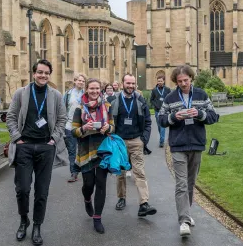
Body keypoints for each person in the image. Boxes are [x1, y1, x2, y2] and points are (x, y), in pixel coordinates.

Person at [6, 59, 67, 246]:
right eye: (40, 72)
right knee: (23, 189)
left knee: (42, 192)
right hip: (24, 147)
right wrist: (17, 138)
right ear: (34, 73)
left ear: (50, 74)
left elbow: (62, 119)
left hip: (45, 148)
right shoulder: (21, 93)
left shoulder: (56, 95)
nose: (43, 76)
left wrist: (53, 140)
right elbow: (11, 117)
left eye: (47, 73)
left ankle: (37, 226)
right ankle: (24, 221)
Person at [158, 65, 219, 237]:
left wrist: (200, 114)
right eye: (180, 81)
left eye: (186, 80)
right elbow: (161, 119)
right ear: (175, 82)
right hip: (178, 146)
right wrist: (173, 117)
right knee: (181, 184)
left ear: (191, 78)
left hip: (197, 144)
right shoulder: (170, 98)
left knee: (191, 183)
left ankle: (187, 213)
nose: (183, 83)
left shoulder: (201, 95)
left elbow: (214, 116)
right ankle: (183, 220)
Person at [72, 78, 115, 234]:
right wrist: (84, 127)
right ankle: (87, 199)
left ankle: (97, 218)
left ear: (101, 90)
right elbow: (73, 131)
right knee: (88, 185)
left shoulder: (107, 106)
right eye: (91, 89)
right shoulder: (79, 108)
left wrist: (107, 127)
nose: (94, 91)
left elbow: (113, 126)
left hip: (103, 150)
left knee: (101, 184)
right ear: (86, 89)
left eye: (97, 89)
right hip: (85, 150)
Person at [110, 74, 157, 217]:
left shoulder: (140, 100)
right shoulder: (114, 100)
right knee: (120, 173)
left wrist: (143, 140)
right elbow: (109, 121)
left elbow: (148, 122)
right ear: (122, 83)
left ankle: (144, 203)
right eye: (128, 83)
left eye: (133, 83)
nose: (130, 86)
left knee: (139, 172)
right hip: (120, 141)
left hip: (136, 140)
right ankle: (121, 198)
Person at [63, 73, 86, 183]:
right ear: (75, 81)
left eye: (83, 81)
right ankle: (73, 173)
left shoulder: (86, 94)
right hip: (70, 125)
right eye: (79, 80)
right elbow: (63, 109)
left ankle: (84, 169)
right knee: (72, 151)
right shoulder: (68, 94)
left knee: (82, 149)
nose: (81, 82)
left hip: (83, 126)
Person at [150, 75, 171, 148]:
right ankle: (162, 137)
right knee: (159, 125)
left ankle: (161, 141)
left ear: (164, 81)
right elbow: (151, 100)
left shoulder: (168, 89)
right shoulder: (154, 90)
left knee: (163, 125)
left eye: (161, 81)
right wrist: (156, 105)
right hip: (157, 110)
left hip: (165, 111)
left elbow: (170, 98)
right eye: (158, 81)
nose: (160, 82)